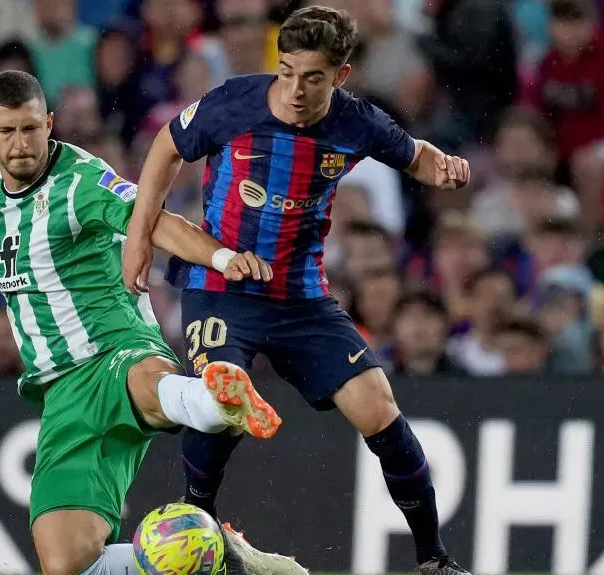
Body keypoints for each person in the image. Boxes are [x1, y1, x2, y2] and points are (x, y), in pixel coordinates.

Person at [0, 70, 300, 575]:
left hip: (115, 346)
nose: (21, 144)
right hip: (61, 389)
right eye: (8, 131)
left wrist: (220, 258)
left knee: (146, 383)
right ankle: (218, 557)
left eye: (32, 128)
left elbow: (154, 220)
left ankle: (216, 400)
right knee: (68, 565)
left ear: (50, 123)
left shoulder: (82, 181)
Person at [122, 6, 472, 575]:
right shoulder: (234, 102)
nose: (295, 89)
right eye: (286, 71)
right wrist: (140, 236)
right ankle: (195, 520)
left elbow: (418, 158)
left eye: (312, 77)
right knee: (222, 397)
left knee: (379, 408)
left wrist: (446, 167)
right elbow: (166, 146)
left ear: (341, 77)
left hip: (301, 297)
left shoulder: (358, 122)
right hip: (222, 283)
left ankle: (434, 559)